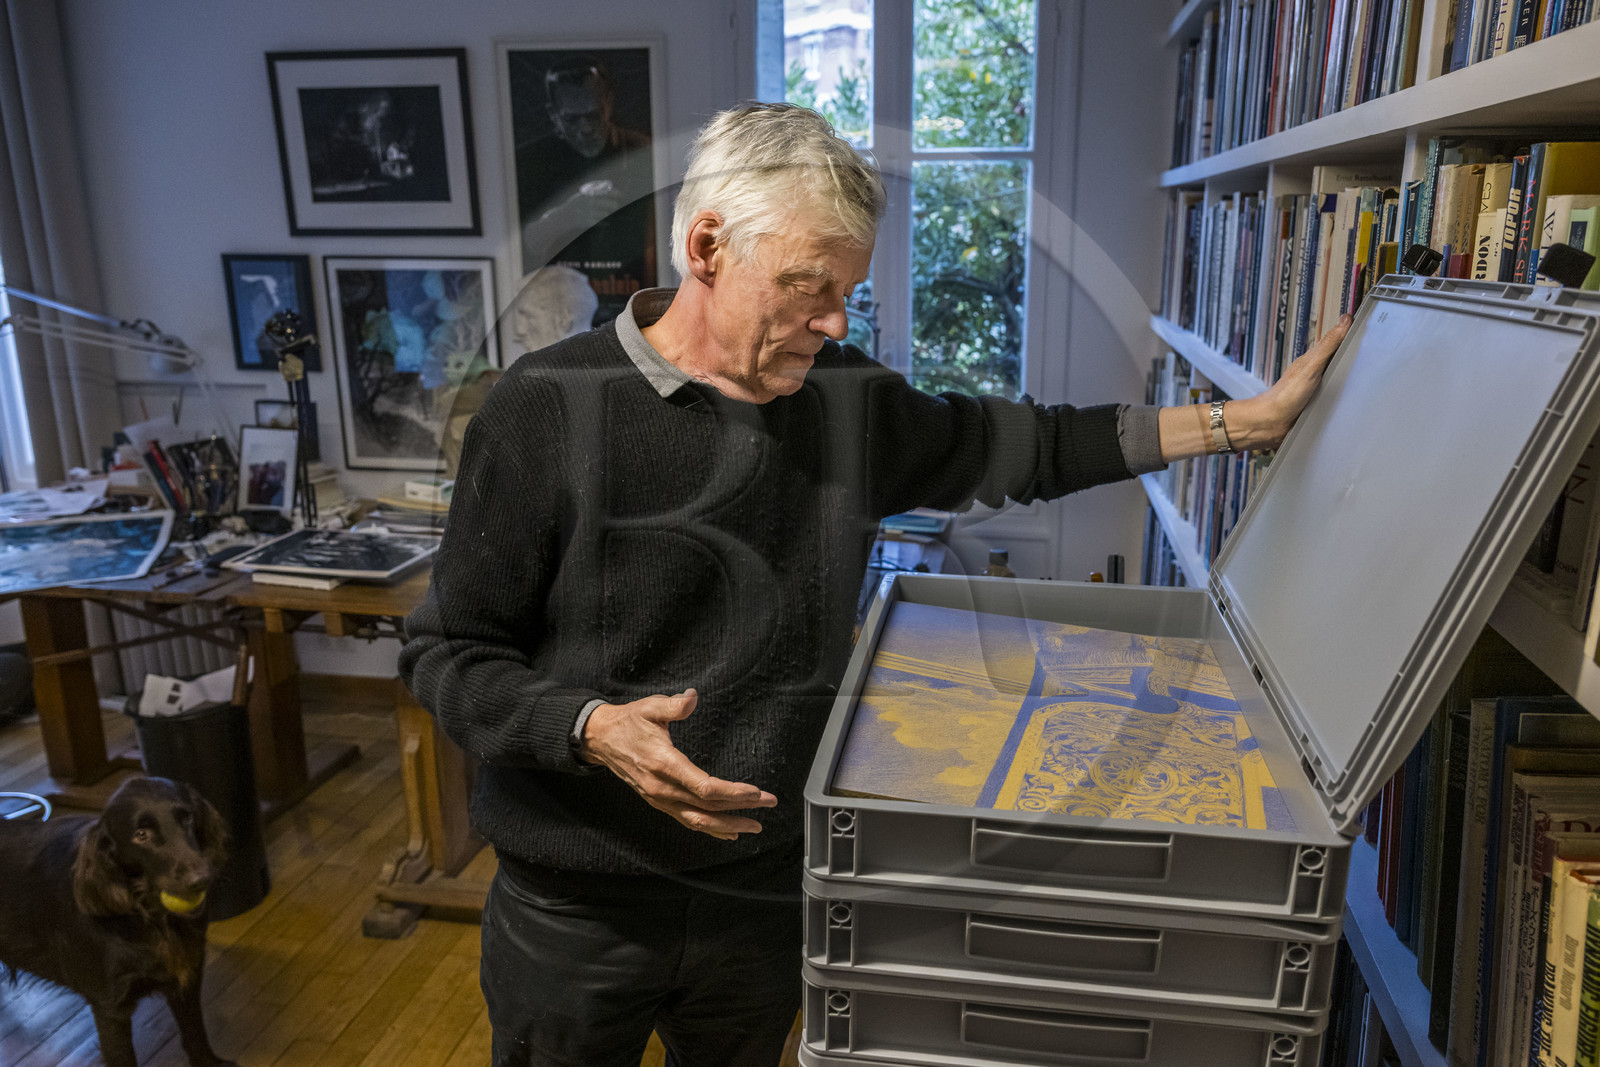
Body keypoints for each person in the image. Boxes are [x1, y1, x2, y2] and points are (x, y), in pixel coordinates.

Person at [400, 102, 1350, 1067]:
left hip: (764, 893)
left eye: (846, 289)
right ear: (706, 246)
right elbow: (449, 654)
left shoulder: (840, 396)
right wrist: (590, 730)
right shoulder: (540, 409)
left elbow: (1028, 442)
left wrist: (1244, 423)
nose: (835, 320)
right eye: (808, 285)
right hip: (575, 906)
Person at [515, 55, 655, 325]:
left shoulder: (646, 154)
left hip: (631, 308)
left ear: (608, 104)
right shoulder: (528, 163)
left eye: (593, 115)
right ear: (554, 114)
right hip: (557, 314)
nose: (586, 129)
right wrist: (563, 218)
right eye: (572, 119)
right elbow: (517, 251)